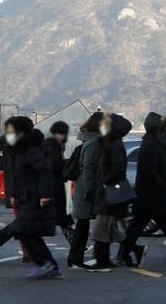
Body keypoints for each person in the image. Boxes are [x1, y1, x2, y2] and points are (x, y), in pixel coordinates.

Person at [119, 112, 166, 267]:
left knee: (146, 227)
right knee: (162, 226)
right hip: (152, 195)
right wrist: (163, 184)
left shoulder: (150, 143)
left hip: (148, 195)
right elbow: (151, 171)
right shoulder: (152, 145)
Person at [4, 116, 62, 278]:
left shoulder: (30, 150)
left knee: (24, 231)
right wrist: (15, 194)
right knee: (29, 232)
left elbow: (44, 171)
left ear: (20, 132)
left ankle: (45, 265)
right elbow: (20, 175)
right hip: (27, 197)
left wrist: (44, 195)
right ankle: (50, 266)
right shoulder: (21, 150)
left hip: (35, 198)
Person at [86, 112, 132, 272]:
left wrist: (106, 181)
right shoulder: (109, 142)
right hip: (106, 191)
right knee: (108, 228)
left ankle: (101, 260)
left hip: (109, 191)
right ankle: (105, 258)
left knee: (101, 228)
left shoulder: (114, 144)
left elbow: (118, 167)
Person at [0, 123, 30, 262]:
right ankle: (26, 252)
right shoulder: (14, 152)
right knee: (24, 222)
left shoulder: (11, 151)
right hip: (19, 191)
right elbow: (14, 174)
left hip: (18, 190)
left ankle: (26, 252)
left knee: (24, 221)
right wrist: (15, 194)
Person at [67, 112, 103, 269]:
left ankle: (75, 258)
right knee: (83, 224)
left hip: (84, 186)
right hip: (86, 187)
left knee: (83, 224)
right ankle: (75, 259)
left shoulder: (88, 140)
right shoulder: (94, 143)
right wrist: (90, 190)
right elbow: (88, 167)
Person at [43, 121, 74, 244]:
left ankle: (76, 244)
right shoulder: (53, 147)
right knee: (63, 218)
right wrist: (67, 162)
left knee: (62, 219)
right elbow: (53, 164)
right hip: (54, 187)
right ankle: (76, 244)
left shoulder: (51, 145)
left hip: (53, 186)